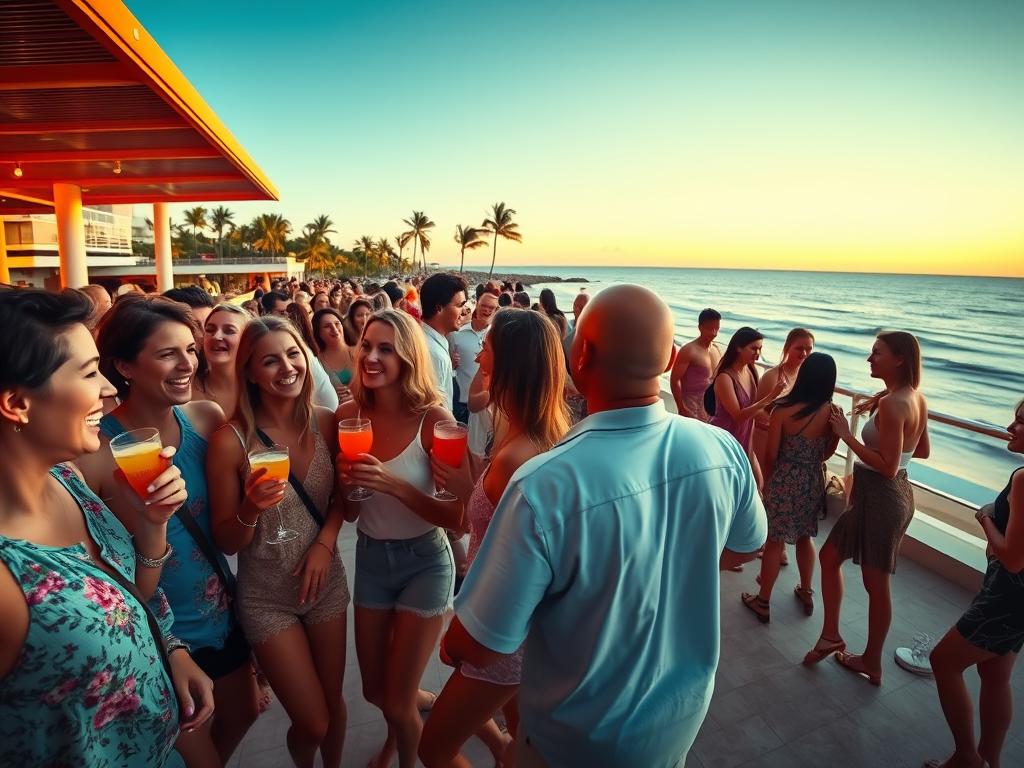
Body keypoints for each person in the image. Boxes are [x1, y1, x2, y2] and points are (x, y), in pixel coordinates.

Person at [443, 285, 767, 768]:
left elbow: (479, 644)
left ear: (582, 353)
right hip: (677, 723)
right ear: (670, 357)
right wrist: (670, 563)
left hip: (572, 738)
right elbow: (747, 546)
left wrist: (450, 645)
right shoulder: (721, 450)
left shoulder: (543, 484)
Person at [0, 288, 209, 767]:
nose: (110, 389)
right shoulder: (7, 578)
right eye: (90, 373)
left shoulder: (68, 479)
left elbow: (131, 592)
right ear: (16, 402)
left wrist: (170, 649)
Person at [78, 294, 259, 766]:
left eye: (190, 350)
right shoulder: (94, 455)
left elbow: (226, 531)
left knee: (242, 712)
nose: (186, 364)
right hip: (158, 632)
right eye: (167, 353)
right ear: (124, 366)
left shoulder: (205, 419)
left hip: (222, 614)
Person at [420, 308, 571, 768]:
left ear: (507, 363)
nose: (478, 350)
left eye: (487, 345)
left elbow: (503, 556)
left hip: (501, 634)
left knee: (434, 749)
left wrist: (463, 637)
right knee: (521, 737)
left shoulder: (519, 455)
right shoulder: (535, 433)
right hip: (519, 632)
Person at [207, 316, 350, 768]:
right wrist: (249, 508)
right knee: (311, 722)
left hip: (325, 584)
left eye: (293, 355)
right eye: (270, 361)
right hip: (268, 597)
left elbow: (344, 501)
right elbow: (228, 540)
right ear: (249, 372)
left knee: (334, 702)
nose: (287, 367)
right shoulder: (230, 442)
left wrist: (325, 544)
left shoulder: (327, 424)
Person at [336, 309, 462, 768]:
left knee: (396, 699)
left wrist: (394, 486)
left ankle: (406, 755)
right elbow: (350, 510)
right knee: (376, 691)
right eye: (366, 345)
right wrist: (350, 491)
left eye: (385, 348)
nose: (370, 356)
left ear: (408, 356)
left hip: (425, 561)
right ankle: (406, 717)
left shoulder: (434, 420)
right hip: (372, 558)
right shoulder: (349, 417)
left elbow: (458, 516)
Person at [805, 331, 930, 685]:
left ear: (900, 358)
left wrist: (846, 434)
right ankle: (832, 635)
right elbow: (920, 452)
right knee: (830, 558)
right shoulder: (913, 398)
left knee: (876, 584)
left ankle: (871, 662)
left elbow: (888, 466)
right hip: (892, 493)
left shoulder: (893, 403)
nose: (869, 359)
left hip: (883, 496)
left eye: (877, 353)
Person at [925, 399, 1024, 768]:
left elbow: (1013, 557)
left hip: (1007, 595)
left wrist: (985, 517)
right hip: (1019, 604)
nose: (1011, 428)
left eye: (1021, 422)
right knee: (995, 673)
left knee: (943, 661)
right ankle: (990, 761)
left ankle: (968, 758)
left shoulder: (1023, 477)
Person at [741, 352, 840, 622]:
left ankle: (763, 601)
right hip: (812, 480)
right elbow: (827, 453)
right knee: (806, 538)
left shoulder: (783, 410)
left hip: (785, 478)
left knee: (775, 541)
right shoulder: (832, 412)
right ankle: (806, 590)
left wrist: (772, 481)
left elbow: (771, 454)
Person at [707, 326, 786, 488]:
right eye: (754, 348)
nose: (758, 353)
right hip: (725, 441)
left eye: (760, 349)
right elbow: (738, 415)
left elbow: (754, 408)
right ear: (738, 347)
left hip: (745, 439)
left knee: (759, 485)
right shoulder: (725, 378)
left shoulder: (751, 370)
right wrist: (772, 396)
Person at [752, 328, 815, 466]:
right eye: (799, 348)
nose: (804, 354)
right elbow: (755, 412)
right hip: (765, 439)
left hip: (790, 443)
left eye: (809, 349)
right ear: (787, 348)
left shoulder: (806, 378)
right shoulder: (772, 376)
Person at [420, 273, 469, 412]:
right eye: (460, 305)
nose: (465, 311)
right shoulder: (433, 353)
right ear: (439, 308)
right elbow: (437, 411)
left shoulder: (427, 340)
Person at [448, 289, 499, 424]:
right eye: (484, 305)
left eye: (491, 307)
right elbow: (449, 367)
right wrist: (451, 363)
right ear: (477, 304)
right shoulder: (456, 333)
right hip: (461, 404)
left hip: (487, 407)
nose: (487, 310)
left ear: (496, 310)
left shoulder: (498, 336)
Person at [192, 303, 252, 419]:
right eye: (210, 330)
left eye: (229, 331)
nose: (216, 336)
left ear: (247, 340)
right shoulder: (186, 388)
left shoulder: (261, 389)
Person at [670, 308, 721, 421]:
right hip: (691, 406)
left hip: (711, 407)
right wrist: (681, 407)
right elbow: (675, 379)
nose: (714, 333)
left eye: (716, 328)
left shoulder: (717, 349)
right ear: (700, 327)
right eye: (709, 328)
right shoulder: (689, 350)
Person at [314, 308, 357, 406]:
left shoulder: (359, 351)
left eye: (337, 324)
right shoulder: (316, 361)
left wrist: (357, 395)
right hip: (333, 415)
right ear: (318, 333)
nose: (334, 329)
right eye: (327, 326)